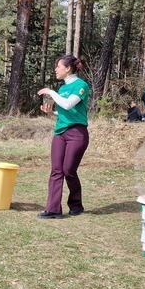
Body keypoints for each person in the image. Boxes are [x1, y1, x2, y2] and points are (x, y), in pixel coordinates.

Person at [36, 54, 90, 219]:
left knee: (69, 170)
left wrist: (50, 92)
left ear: (67, 68)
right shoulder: (62, 89)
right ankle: (53, 209)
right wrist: (51, 113)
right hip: (60, 133)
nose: (55, 70)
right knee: (56, 170)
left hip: (77, 133)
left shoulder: (81, 85)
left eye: (58, 67)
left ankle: (76, 204)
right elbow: (63, 113)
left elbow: (68, 104)